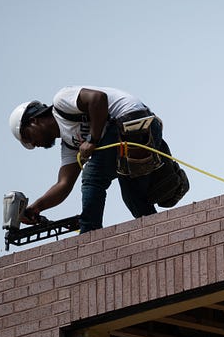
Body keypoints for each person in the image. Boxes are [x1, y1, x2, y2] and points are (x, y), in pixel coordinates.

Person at [9, 86, 188, 232]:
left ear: (33, 120)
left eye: (28, 137)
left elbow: (97, 98)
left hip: (133, 122)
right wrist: (36, 207)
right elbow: (63, 184)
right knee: (133, 197)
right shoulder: (70, 144)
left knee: (93, 177)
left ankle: (89, 234)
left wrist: (93, 140)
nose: (34, 144)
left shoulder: (62, 102)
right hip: (130, 137)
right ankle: (160, 232)